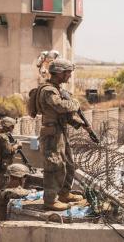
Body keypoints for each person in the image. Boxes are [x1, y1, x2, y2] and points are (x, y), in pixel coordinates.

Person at [37, 58, 91, 211]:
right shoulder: (48, 90)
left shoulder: (58, 89)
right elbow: (60, 107)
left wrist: (80, 124)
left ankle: (64, 193)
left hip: (60, 131)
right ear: (59, 73)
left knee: (69, 164)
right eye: (67, 73)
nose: (69, 76)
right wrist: (75, 104)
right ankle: (50, 200)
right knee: (54, 166)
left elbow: (64, 115)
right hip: (51, 133)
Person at [0, 117, 21, 189]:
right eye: (12, 126)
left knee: (2, 183)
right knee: (4, 185)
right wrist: (17, 145)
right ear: (8, 126)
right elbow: (9, 151)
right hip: (4, 166)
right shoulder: (4, 137)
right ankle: (0, 199)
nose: (13, 128)